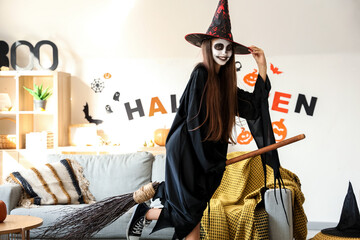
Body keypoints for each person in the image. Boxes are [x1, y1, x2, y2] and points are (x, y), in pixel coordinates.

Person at [126, 0, 280, 239]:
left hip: (207, 155)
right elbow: (194, 124)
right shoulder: (201, 74)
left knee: (193, 215)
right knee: (189, 214)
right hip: (188, 153)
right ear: (208, 46)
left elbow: (253, 109)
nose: (224, 53)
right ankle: (144, 214)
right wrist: (208, 162)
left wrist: (262, 67)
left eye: (229, 49)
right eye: (219, 46)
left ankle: (146, 214)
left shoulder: (226, 83)